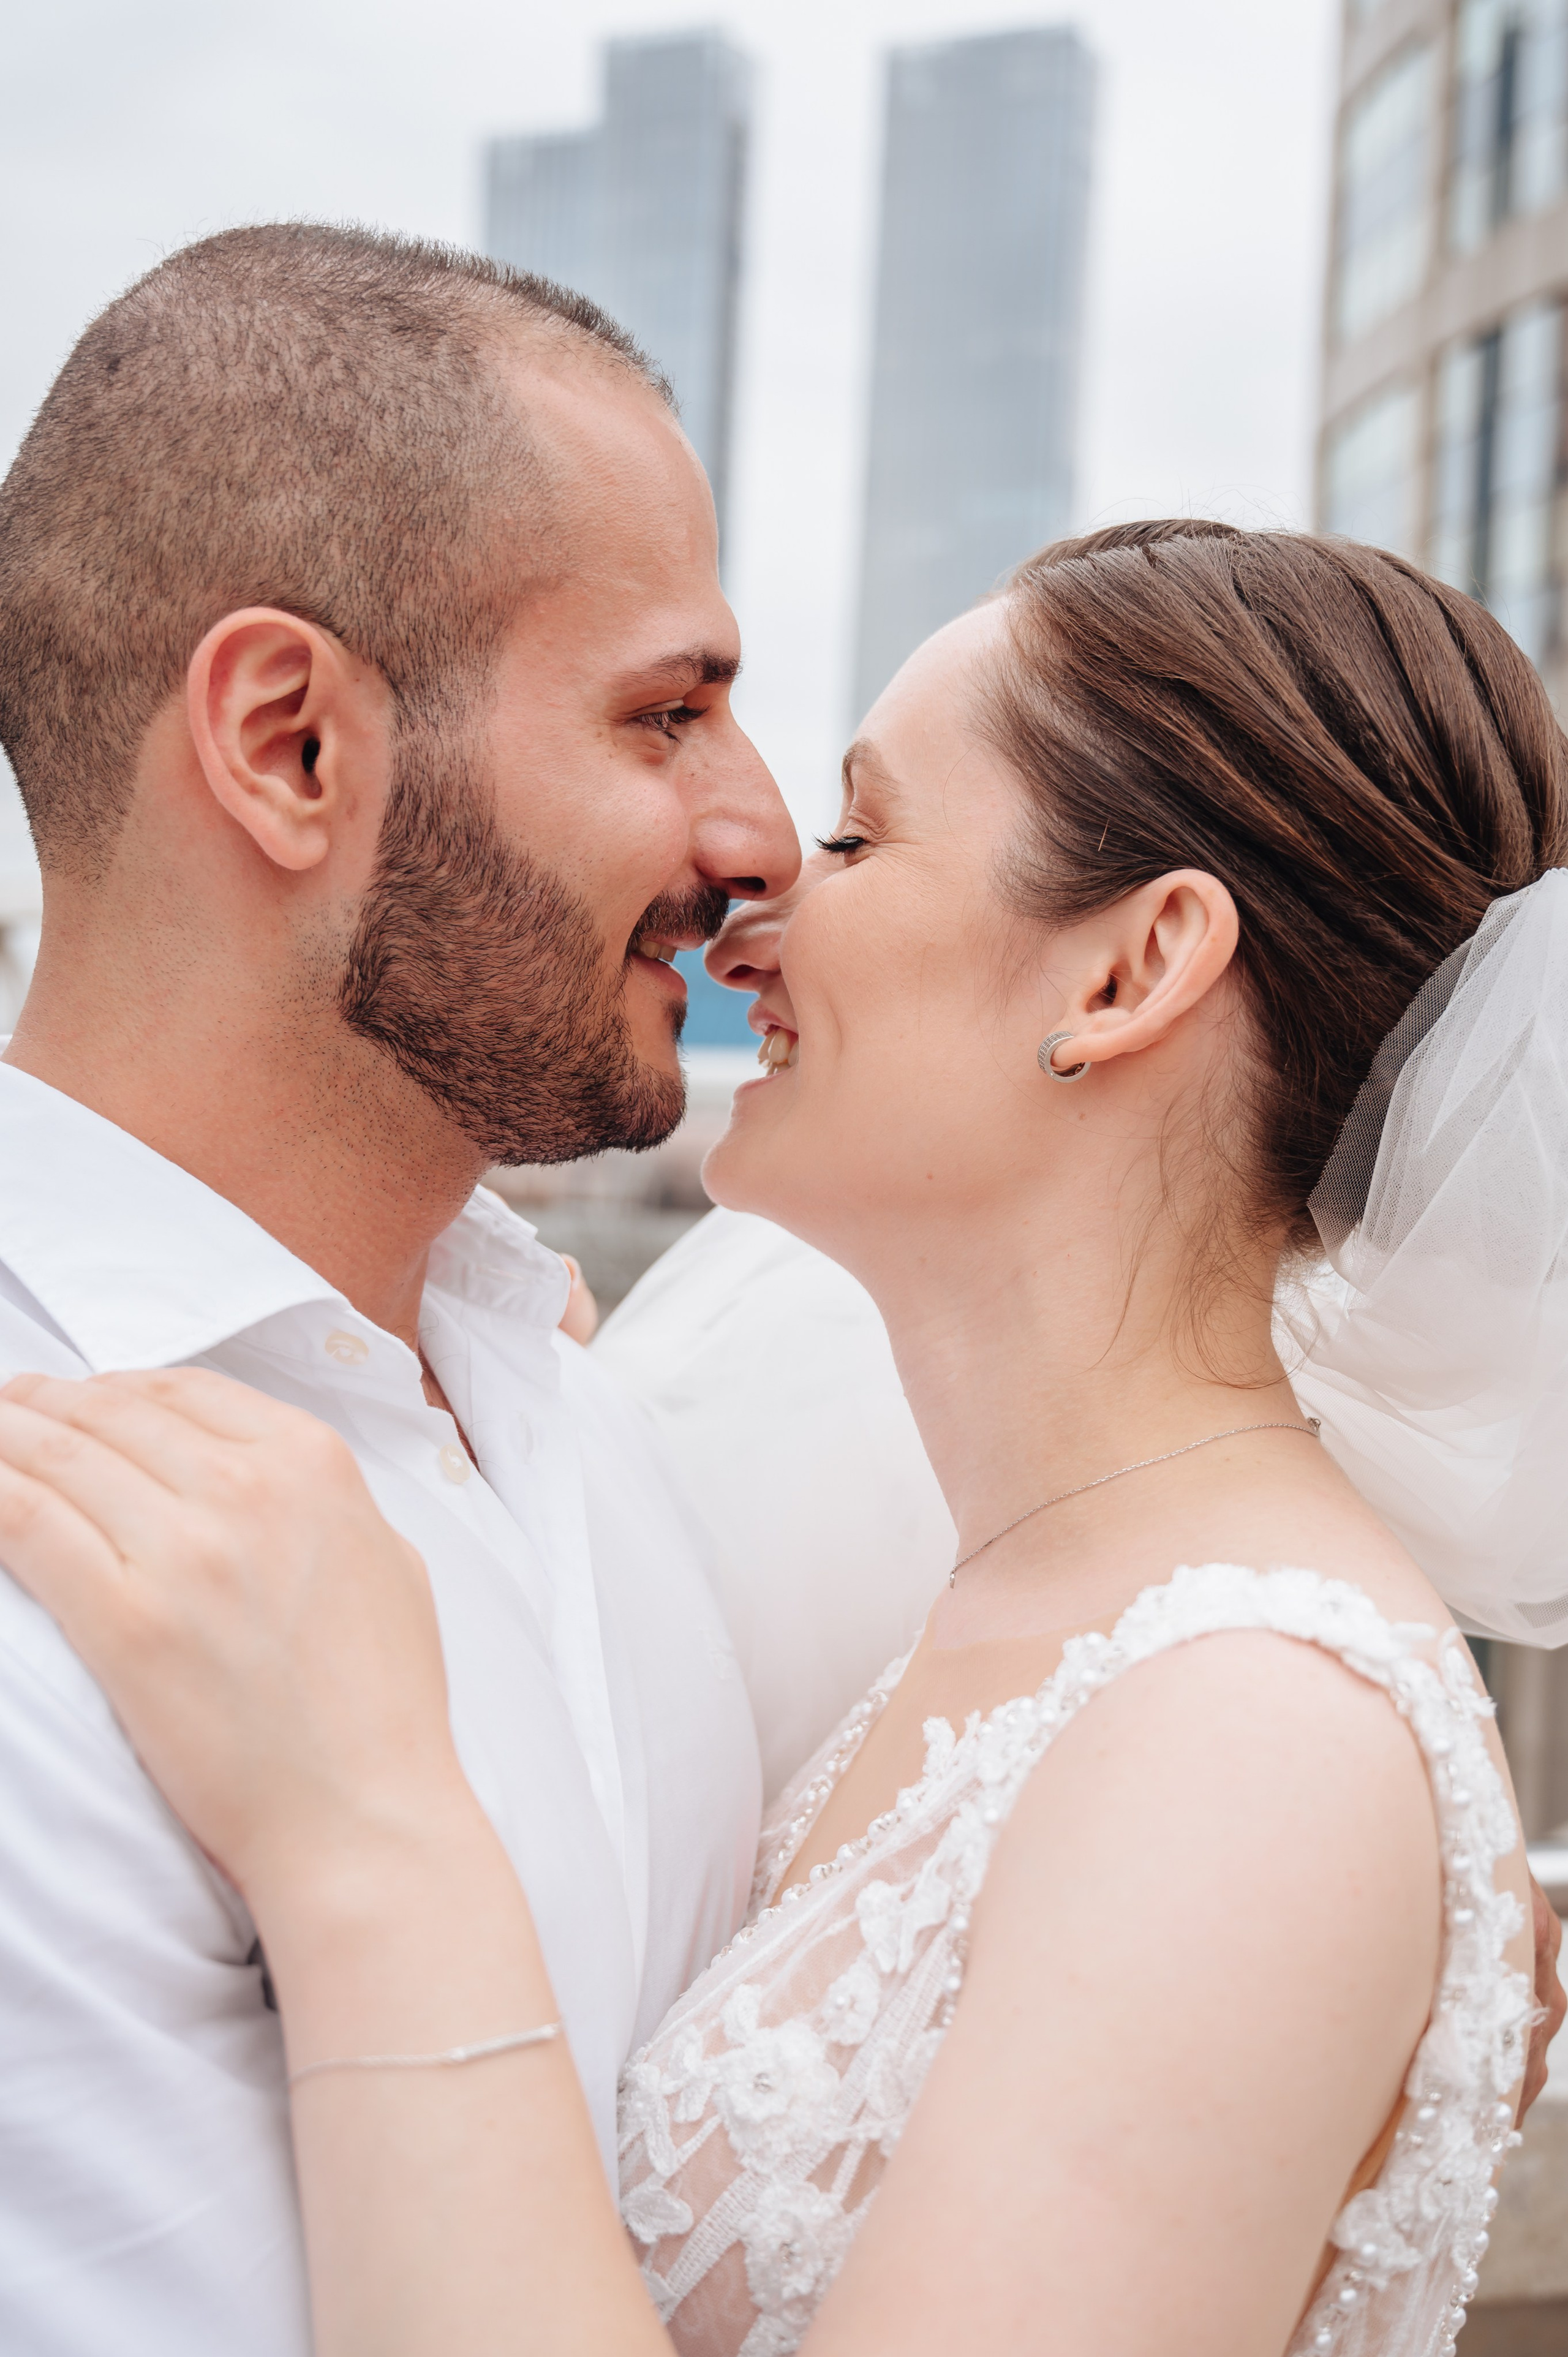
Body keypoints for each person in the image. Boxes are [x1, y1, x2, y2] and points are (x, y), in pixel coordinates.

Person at [3, 521, 1564, 2357]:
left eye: (858, 833)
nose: (757, 895)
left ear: (1129, 973)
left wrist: (372, 1841)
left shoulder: (1263, 1735)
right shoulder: (973, 1582)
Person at [0, 222, 800, 2354]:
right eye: (671, 711)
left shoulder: (538, 1365)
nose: (761, 832)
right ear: (290, 744)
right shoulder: (43, 1573)